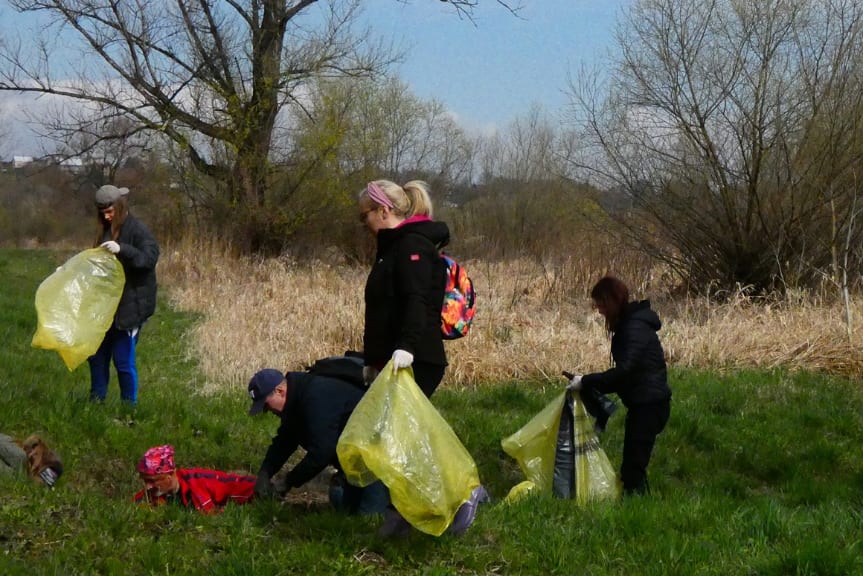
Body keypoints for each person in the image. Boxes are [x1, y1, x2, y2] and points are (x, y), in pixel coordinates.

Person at [568, 275, 672, 496]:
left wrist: (586, 381)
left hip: (650, 406)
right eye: (597, 305)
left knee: (632, 470)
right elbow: (624, 377)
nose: (599, 310)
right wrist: (587, 385)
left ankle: (637, 510)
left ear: (614, 300)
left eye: (602, 304)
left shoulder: (634, 328)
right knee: (634, 464)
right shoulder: (630, 325)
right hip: (647, 404)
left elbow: (625, 372)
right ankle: (638, 501)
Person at [247, 368, 388, 515]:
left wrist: (288, 481)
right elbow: (285, 441)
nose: (267, 410)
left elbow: (322, 452)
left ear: (279, 391)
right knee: (347, 513)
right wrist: (265, 472)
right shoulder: (295, 401)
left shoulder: (314, 398)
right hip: (355, 464)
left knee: (368, 519)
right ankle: (341, 487)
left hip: (377, 459)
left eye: (266, 405)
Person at [358, 180, 449, 398]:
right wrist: (372, 360)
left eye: (364, 215)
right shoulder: (390, 250)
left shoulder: (411, 245)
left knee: (400, 429)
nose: (363, 222)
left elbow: (416, 298)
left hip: (415, 358)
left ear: (383, 210)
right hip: (391, 357)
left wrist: (407, 347)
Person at [88, 184, 160, 406]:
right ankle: (96, 402)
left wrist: (122, 250)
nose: (107, 217)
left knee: (122, 361)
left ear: (119, 207)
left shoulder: (138, 230)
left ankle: (129, 407)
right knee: (97, 358)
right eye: (103, 213)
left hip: (131, 306)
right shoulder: (105, 232)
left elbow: (149, 258)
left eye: (110, 212)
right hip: (107, 307)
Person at [133, 445, 256, 513]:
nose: (148, 486)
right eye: (145, 481)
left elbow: (238, 485)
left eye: (153, 481)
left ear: (171, 474)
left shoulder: (200, 480)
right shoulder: (147, 498)